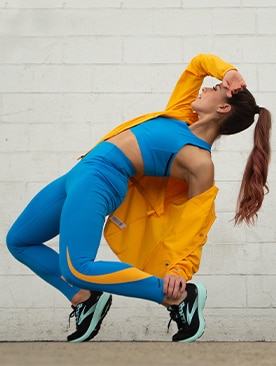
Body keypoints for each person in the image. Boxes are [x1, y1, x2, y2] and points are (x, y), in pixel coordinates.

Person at [6, 54, 271, 343]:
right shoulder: (181, 114)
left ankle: (178, 298)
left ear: (222, 107)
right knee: (19, 240)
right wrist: (228, 71)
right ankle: (83, 296)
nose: (205, 88)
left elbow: (197, 223)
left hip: (102, 180)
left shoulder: (199, 163)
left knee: (76, 267)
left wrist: (180, 269)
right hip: (80, 172)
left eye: (215, 88)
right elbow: (198, 65)